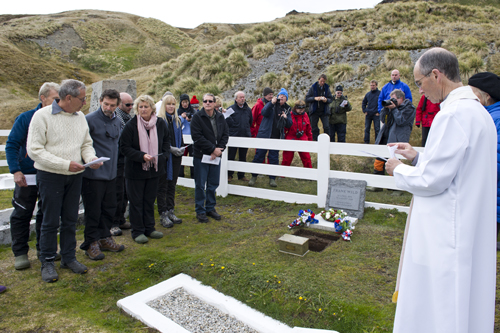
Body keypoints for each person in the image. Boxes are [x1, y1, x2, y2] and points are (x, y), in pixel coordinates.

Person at [385, 47, 497, 333]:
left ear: (437, 75)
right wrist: (418, 157)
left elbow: (433, 181)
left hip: (446, 233)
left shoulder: (452, 116)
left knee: (441, 307)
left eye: (420, 82)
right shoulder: (479, 114)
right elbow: (459, 169)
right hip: (467, 224)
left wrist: (398, 168)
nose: (421, 91)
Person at [27, 79, 102, 283]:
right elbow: (34, 150)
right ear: (68, 98)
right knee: (50, 221)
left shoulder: (80, 118)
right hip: (50, 176)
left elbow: (86, 144)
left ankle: (69, 257)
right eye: (82, 98)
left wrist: (91, 158)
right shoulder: (41, 116)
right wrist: (64, 164)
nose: (85, 102)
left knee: (70, 219)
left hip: (75, 175)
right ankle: (48, 261)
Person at [6, 82, 60, 270]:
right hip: (28, 176)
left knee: (46, 214)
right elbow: (12, 144)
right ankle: (20, 253)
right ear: (42, 98)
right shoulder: (26, 118)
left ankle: (44, 250)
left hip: (50, 174)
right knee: (22, 213)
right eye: (55, 99)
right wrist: (16, 170)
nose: (58, 103)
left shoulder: (59, 119)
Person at [80, 89, 125, 261]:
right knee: (93, 211)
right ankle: (91, 242)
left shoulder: (117, 121)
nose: (108, 108)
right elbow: (83, 145)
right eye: (106, 104)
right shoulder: (89, 120)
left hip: (112, 174)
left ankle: (105, 237)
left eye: (112, 105)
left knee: (109, 208)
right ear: (100, 101)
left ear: (117, 105)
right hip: (93, 176)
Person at [119, 95, 170, 244]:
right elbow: (124, 147)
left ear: (152, 108)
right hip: (135, 171)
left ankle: (149, 228)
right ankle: (138, 231)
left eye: (146, 106)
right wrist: (141, 156)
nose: (143, 109)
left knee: (149, 200)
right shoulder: (131, 125)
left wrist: (164, 156)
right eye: (140, 107)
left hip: (154, 170)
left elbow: (166, 141)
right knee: (136, 202)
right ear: (136, 109)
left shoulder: (160, 124)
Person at [467, 72, 500, 251]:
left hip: (492, 196)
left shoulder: (494, 119)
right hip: (492, 194)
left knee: (483, 250)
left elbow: (495, 160)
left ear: (486, 96)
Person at [190, 93, 229, 223]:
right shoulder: (197, 117)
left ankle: (210, 208)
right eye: (205, 101)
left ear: (214, 103)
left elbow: (225, 135)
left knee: (213, 184)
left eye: (210, 101)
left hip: (216, 155)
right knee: (200, 185)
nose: (207, 103)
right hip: (201, 156)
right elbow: (197, 137)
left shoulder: (220, 117)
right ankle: (200, 211)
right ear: (203, 103)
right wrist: (212, 149)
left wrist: (218, 150)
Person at [248, 88, 292, 188]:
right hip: (264, 135)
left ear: (286, 99)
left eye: (284, 96)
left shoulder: (287, 109)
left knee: (273, 158)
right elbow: (264, 112)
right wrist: (271, 103)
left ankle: (272, 178)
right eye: (280, 95)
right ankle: (254, 176)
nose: (281, 97)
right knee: (259, 155)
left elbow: (290, 124)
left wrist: (285, 117)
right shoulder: (271, 104)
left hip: (276, 137)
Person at [370, 89, 415, 183]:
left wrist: (394, 109)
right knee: (379, 161)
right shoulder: (391, 108)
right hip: (386, 136)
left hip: (398, 139)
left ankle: (394, 187)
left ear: (401, 98)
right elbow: (383, 120)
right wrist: (386, 109)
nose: (391, 101)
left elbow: (401, 121)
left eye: (393, 99)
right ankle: (377, 184)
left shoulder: (409, 108)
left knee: (394, 162)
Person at [156, 95, 184, 228]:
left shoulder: (177, 121)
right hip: (164, 158)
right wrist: (171, 149)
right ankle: (163, 213)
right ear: (164, 105)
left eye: (173, 104)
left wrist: (182, 149)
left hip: (176, 158)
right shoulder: (159, 121)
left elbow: (181, 140)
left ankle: (171, 210)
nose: (171, 106)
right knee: (163, 186)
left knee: (172, 185)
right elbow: (159, 142)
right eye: (168, 104)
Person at [111, 92, 134, 236]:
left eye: (132, 104)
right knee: (117, 192)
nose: (131, 107)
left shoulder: (127, 117)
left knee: (125, 192)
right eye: (127, 105)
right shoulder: (117, 118)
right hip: (117, 160)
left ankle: (120, 219)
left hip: (126, 159)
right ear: (119, 104)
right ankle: (113, 223)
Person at [226, 91, 252, 182]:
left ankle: (241, 175)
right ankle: (229, 175)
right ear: (236, 99)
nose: (242, 99)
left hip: (245, 137)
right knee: (231, 156)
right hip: (233, 137)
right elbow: (226, 122)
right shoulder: (230, 109)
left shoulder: (248, 109)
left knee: (243, 157)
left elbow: (250, 122)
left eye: (243, 97)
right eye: (240, 97)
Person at [281, 100, 312, 168]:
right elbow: (285, 129)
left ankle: (310, 174)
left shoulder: (305, 115)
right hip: (291, 137)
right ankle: (282, 174)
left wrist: (310, 142)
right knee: (287, 158)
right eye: (300, 109)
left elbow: (308, 129)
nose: (301, 111)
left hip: (303, 138)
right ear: (295, 108)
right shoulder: (290, 115)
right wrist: (283, 140)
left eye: (303, 109)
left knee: (306, 158)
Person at [305, 74, 333, 141]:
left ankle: (327, 141)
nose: (322, 83)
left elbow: (331, 99)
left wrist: (326, 100)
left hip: (324, 111)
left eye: (324, 81)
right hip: (314, 111)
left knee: (326, 127)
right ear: (318, 80)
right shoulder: (313, 87)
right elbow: (307, 98)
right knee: (314, 128)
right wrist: (315, 98)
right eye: (321, 81)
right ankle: (315, 141)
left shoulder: (326, 88)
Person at [178, 94, 195, 179]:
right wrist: (182, 117)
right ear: (181, 103)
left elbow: (196, 120)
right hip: (182, 138)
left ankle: (193, 174)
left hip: (191, 138)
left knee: (192, 156)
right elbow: (176, 123)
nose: (185, 104)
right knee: (182, 156)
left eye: (186, 102)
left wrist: (190, 119)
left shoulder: (192, 111)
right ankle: (180, 174)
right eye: (183, 102)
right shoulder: (178, 111)